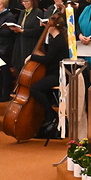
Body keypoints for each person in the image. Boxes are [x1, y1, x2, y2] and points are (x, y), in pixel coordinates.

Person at [28, 12, 69, 141]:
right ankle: (47, 117)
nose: (46, 26)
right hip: (52, 73)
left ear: (53, 26)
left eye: (47, 24)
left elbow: (48, 59)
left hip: (58, 75)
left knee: (34, 89)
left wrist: (33, 57)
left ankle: (50, 114)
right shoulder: (54, 39)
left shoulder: (59, 40)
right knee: (39, 87)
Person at [12, 0, 43, 74]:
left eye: (26, 1)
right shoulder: (23, 12)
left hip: (30, 43)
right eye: (23, 1)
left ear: (32, 1)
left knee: (28, 66)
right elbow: (20, 24)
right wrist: (15, 28)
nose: (24, 3)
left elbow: (37, 30)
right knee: (18, 65)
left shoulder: (37, 12)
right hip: (21, 41)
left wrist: (23, 31)